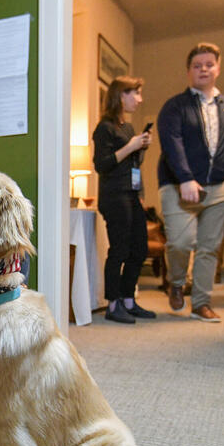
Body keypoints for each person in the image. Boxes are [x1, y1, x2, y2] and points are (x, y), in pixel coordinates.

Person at [157, 42, 224, 322]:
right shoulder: (175, 106)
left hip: (220, 188)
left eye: (209, 64)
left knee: (209, 248)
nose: (203, 69)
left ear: (218, 68)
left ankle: (201, 303)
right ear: (189, 71)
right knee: (181, 243)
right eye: (197, 65)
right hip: (177, 186)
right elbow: (172, 144)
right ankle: (177, 281)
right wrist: (185, 178)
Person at [92, 76, 155, 324]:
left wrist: (141, 148)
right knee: (119, 250)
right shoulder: (104, 128)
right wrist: (131, 146)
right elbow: (102, 165)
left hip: (131, 194)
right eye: (135, 94)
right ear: (121, 95)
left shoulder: (127, 128)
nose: (139, 99)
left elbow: (132, 165)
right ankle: (113, 304)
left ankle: (129, 300)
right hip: (114, 196)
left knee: (139, 248)